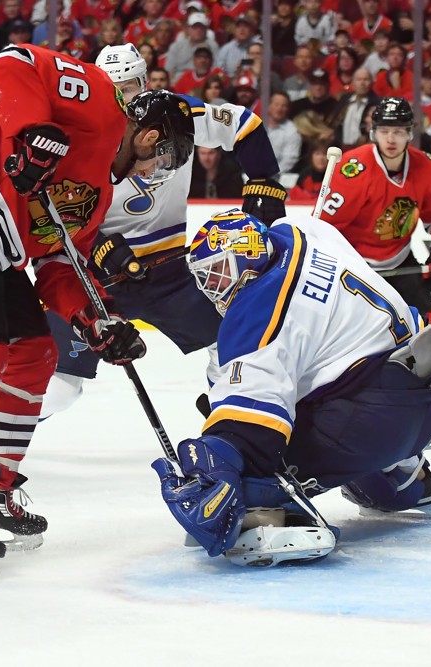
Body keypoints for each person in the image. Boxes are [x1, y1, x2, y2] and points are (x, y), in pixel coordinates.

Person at [0, 44, 195, 578]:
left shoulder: (98, 194)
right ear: (149, 136)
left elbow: (57, 263)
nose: (160, 167)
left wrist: (94, 323)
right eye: (164, 155)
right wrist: (34, 129)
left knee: (35, 352)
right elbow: (10, 62)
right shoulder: (101, 100)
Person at [152, 209, 431, 566]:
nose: (211, 288)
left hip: (373, 423)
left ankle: (279, 516)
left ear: (246, 260)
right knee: (328, 376)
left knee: (245, 467)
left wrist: (213, 463)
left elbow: (252, 430)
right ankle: (404, 479)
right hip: (427, 386)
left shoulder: (259, 313)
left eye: (217, 273)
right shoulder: (302, 231)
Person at [39, 43, 283, 422]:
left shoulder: (172, 114)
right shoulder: (79, 129)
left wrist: (264, 180)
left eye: (132, 85)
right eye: (113, 86)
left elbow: (243, 125)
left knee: (233, 340)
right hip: (96, 278)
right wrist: (98, 244)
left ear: (145, 79)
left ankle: (234, 421)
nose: (124, 97)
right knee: (61, 384)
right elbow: (50, 207)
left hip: (170, 272)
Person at [321, 97, 431, 417]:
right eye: (385, 131)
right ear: (373, 132)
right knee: (363, 341)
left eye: (399, 131)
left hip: (399, 261)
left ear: (410, 133)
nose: (391, 139)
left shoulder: (428, 168)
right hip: (353, 268)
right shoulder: (353, 171)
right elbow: (324, 229)